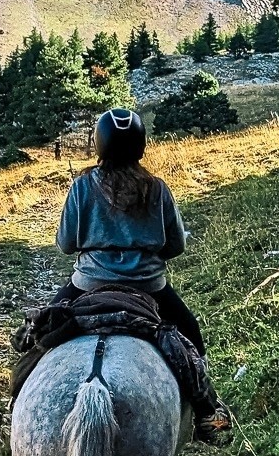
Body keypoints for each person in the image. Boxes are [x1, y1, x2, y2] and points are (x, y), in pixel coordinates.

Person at [52, 108, 229, 435]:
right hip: (148, 287)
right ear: (140, 146)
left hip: (88, 285)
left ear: (99, 145)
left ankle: (16, 401)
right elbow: (175, 246)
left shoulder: (81, 187)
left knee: (39, 333)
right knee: (191, 334)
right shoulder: (157, 189)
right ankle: (209, 414)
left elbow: (66, 244)